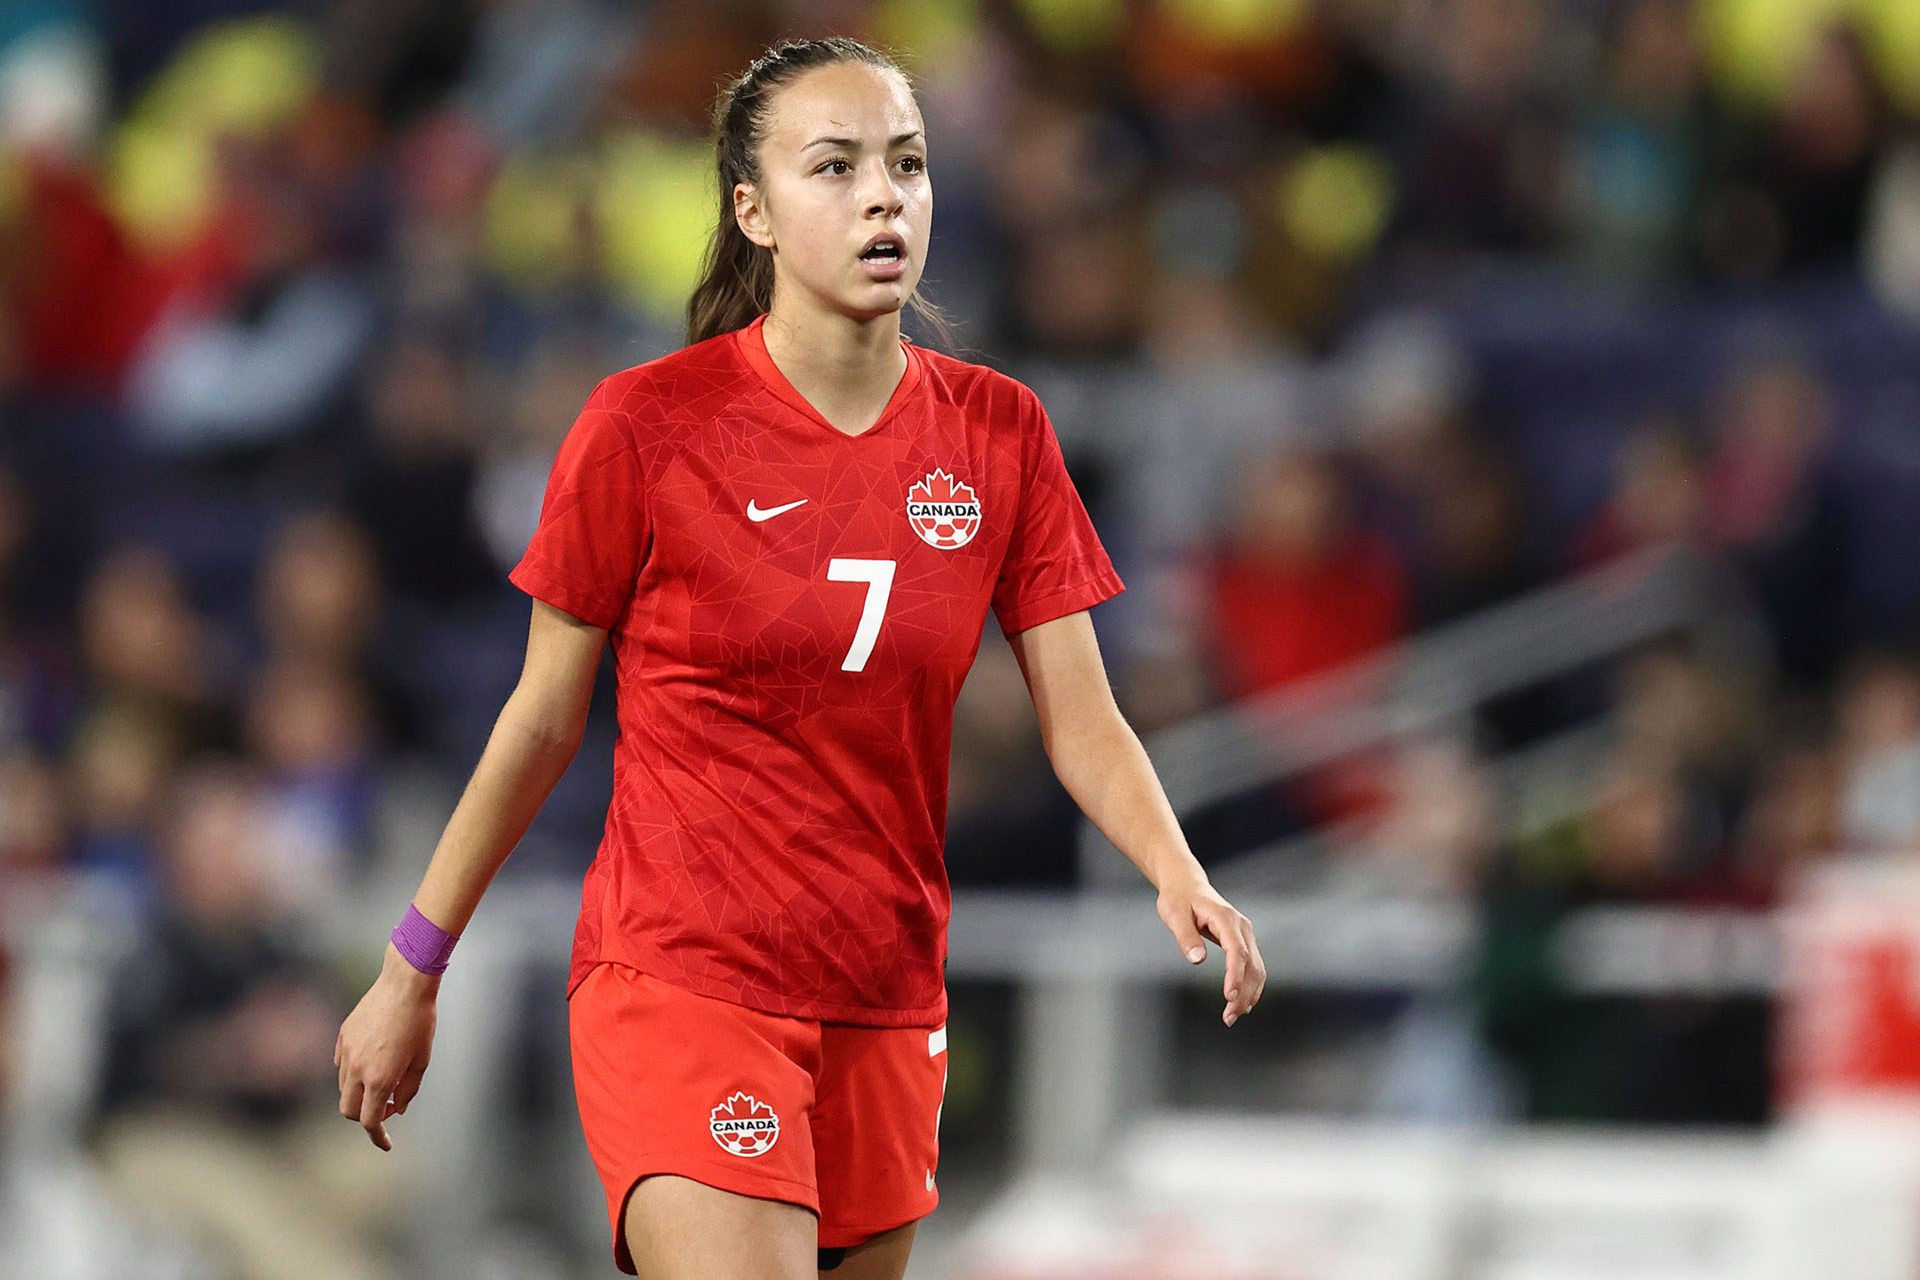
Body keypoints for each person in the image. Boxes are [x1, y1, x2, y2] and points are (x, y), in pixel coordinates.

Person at [333, 36, 1267, 1280]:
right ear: (753, 210)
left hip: (883, 987)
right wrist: (413, 964)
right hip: (684, 974)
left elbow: (1082, 716)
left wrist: (1174, 863)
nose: (885, 194)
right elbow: (542, 719)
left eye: (909, 163)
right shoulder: (645, 425)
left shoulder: (1000, 432)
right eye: (836, 166)